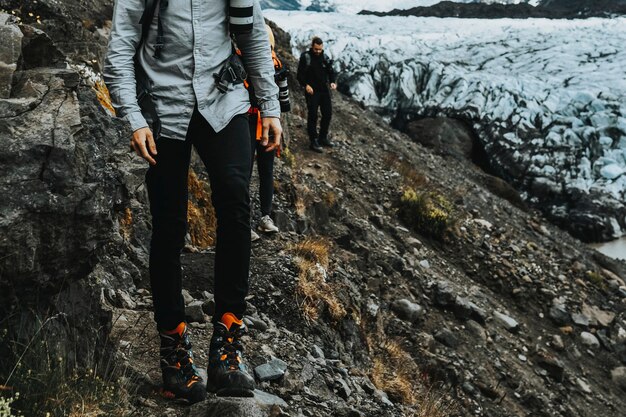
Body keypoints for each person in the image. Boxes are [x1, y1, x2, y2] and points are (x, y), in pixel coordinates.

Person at [104, 0, 282, 403]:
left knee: (236, 202)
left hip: (224, 100)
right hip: (162, 108)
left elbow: (252, 33)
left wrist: (270, 107)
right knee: (169, 225)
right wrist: (132, 116)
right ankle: (174, 355)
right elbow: (120, 45)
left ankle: (227, 346)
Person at [247, 24, 291, 239]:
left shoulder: (247, 60)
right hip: (255, 121)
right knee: (254, 172)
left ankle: (260, 218)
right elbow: (285, 103)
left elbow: (284, 103)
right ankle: (253, 220)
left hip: (254, 121)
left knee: (257, 171)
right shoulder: (276, 64)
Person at [297, 36, 337, 153]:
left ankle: (323, 137)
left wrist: (333, 82)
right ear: (312, 47)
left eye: (320, 49)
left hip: (324, 90)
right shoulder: (306, 57)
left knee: (327, 114)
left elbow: (330, 71)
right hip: (312, 91)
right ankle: (313, 140)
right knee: (313, 115)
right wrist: (306, 85)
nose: (318, 52)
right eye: (316, 49)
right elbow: (299, 75)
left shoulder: (325, 57)